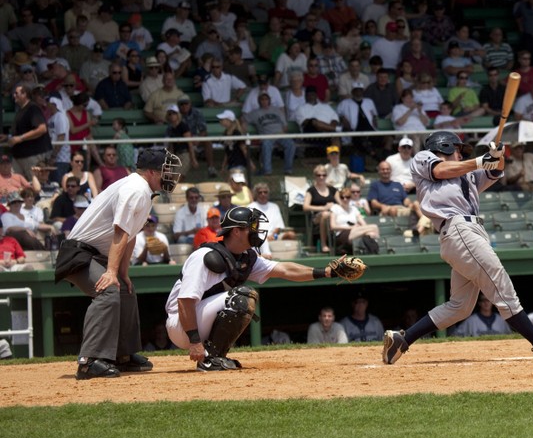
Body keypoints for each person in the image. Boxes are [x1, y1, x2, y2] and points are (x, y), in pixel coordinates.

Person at [382, 131, 533, 364]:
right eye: (457, 149)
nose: (460, 153)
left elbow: (494, 170)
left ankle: (402, 340)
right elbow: (440, 171)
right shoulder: (424, 158)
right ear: (443, 146)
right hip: (459, 230)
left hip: (468, 233)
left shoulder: (466, 174)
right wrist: (479, 160)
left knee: (460, 307)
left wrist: (498, 154)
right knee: (501, 286)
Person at [165, 206, 355, 370]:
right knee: (242, 297)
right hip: (181, 325)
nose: (257, 231)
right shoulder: (205, 256)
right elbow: (184, 301)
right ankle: (209, 360)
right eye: (251, 226)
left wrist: (327, 272)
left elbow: (285, 270)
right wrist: (195, 341)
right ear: (237, 231)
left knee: (242, 297)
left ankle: (215, 358)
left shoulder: (246, 257)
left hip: (197, 320)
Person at [53, 148, 182, 380]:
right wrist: (111, 272)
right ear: (152, 172)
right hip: (78, 254)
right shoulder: (135, 189)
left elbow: (130, 236)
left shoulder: (144, 191)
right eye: (166, 170)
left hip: (95, 254)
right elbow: (120, 232)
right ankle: (89, 361)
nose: (170, 175)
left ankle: (123, 355)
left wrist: (122, 272)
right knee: (108, 291)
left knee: (125, 291)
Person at [3, 84, 53, 176]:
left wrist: (20, 138)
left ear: (24, 94)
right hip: (19, 157)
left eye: (16, 93)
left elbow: (42, 129)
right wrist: (7, 137)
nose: (14, 96)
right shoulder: (21, 110)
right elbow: (20, 131)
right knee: (16, 185)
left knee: (34, 184)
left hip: (32, 156)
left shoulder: (32, 108)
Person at [242, 92, 295, 176]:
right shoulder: (255, 113)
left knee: (291, 144)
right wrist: (244, 126)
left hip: (280, 134)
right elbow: (243, 119)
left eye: (266, 99)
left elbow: (285, 126)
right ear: (259, 102)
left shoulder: (277, 110)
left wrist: (282, 132)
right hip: (267, 136)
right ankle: (267, 171)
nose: (264, 101)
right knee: (266, 145)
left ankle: (288, 169)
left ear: (269, 101)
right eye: (262, 100)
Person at [329, 187, 380, 254]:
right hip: (341, 234)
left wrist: (363, 230)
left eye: (347, 197)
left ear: (350, 198)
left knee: (373, 228)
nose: (345, 199)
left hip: (356, 231)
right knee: (373, 229)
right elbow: (333, 226)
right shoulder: (335, 208)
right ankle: (375, 249)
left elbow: (364, 224)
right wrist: (350, 227)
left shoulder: (354, 209)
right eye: (342, 197)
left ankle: (372, 248)